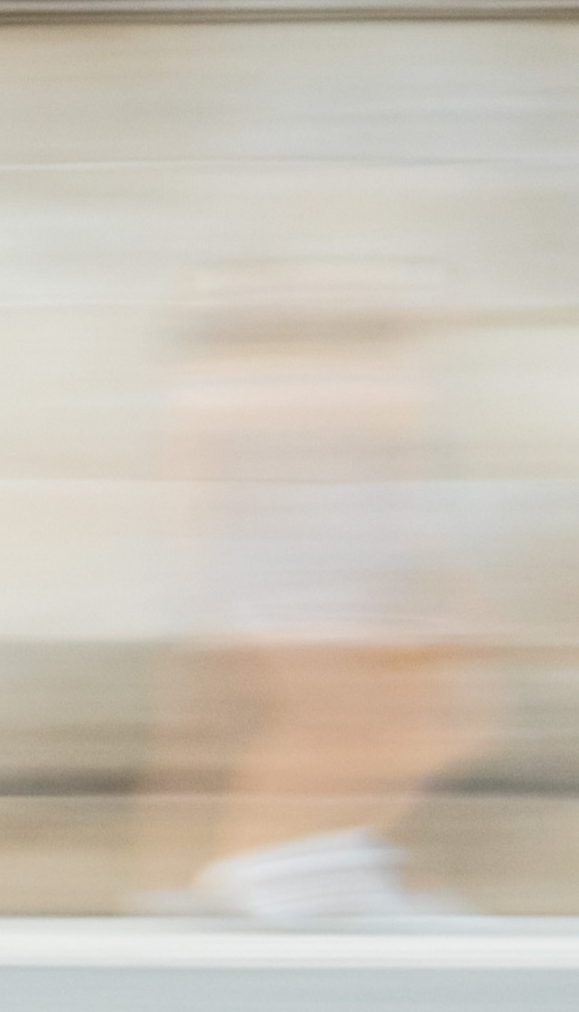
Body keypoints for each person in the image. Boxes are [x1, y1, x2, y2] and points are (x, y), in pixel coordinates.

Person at [136, 270, 498, 924]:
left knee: (440, 727)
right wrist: (215, 597)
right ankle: (274, 868)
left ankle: (322, 867)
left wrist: (442, 586)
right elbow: (200, 504)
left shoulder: (368, 387)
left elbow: (400, 502)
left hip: (364, 589)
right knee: (341, 732)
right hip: (299, 596)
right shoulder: (236, 393)